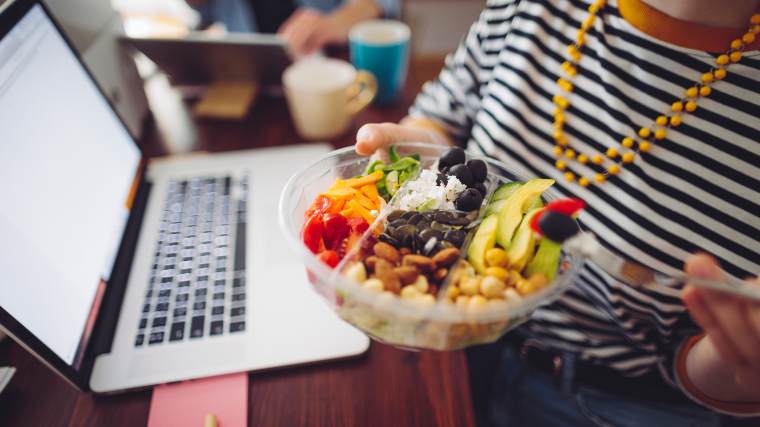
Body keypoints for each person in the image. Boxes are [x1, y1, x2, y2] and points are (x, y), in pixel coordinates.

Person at [354, 0, 760, 425]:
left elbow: (700, 360)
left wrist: (735, 362)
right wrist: (416, 150)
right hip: (463, 350)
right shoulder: (532, 7)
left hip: (619, 405)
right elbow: (444, 118)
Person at [187, 0, 399, 56]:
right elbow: (205, 11)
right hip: (251, 84)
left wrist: (338, 21)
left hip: (332, 65)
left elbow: (382, 3)